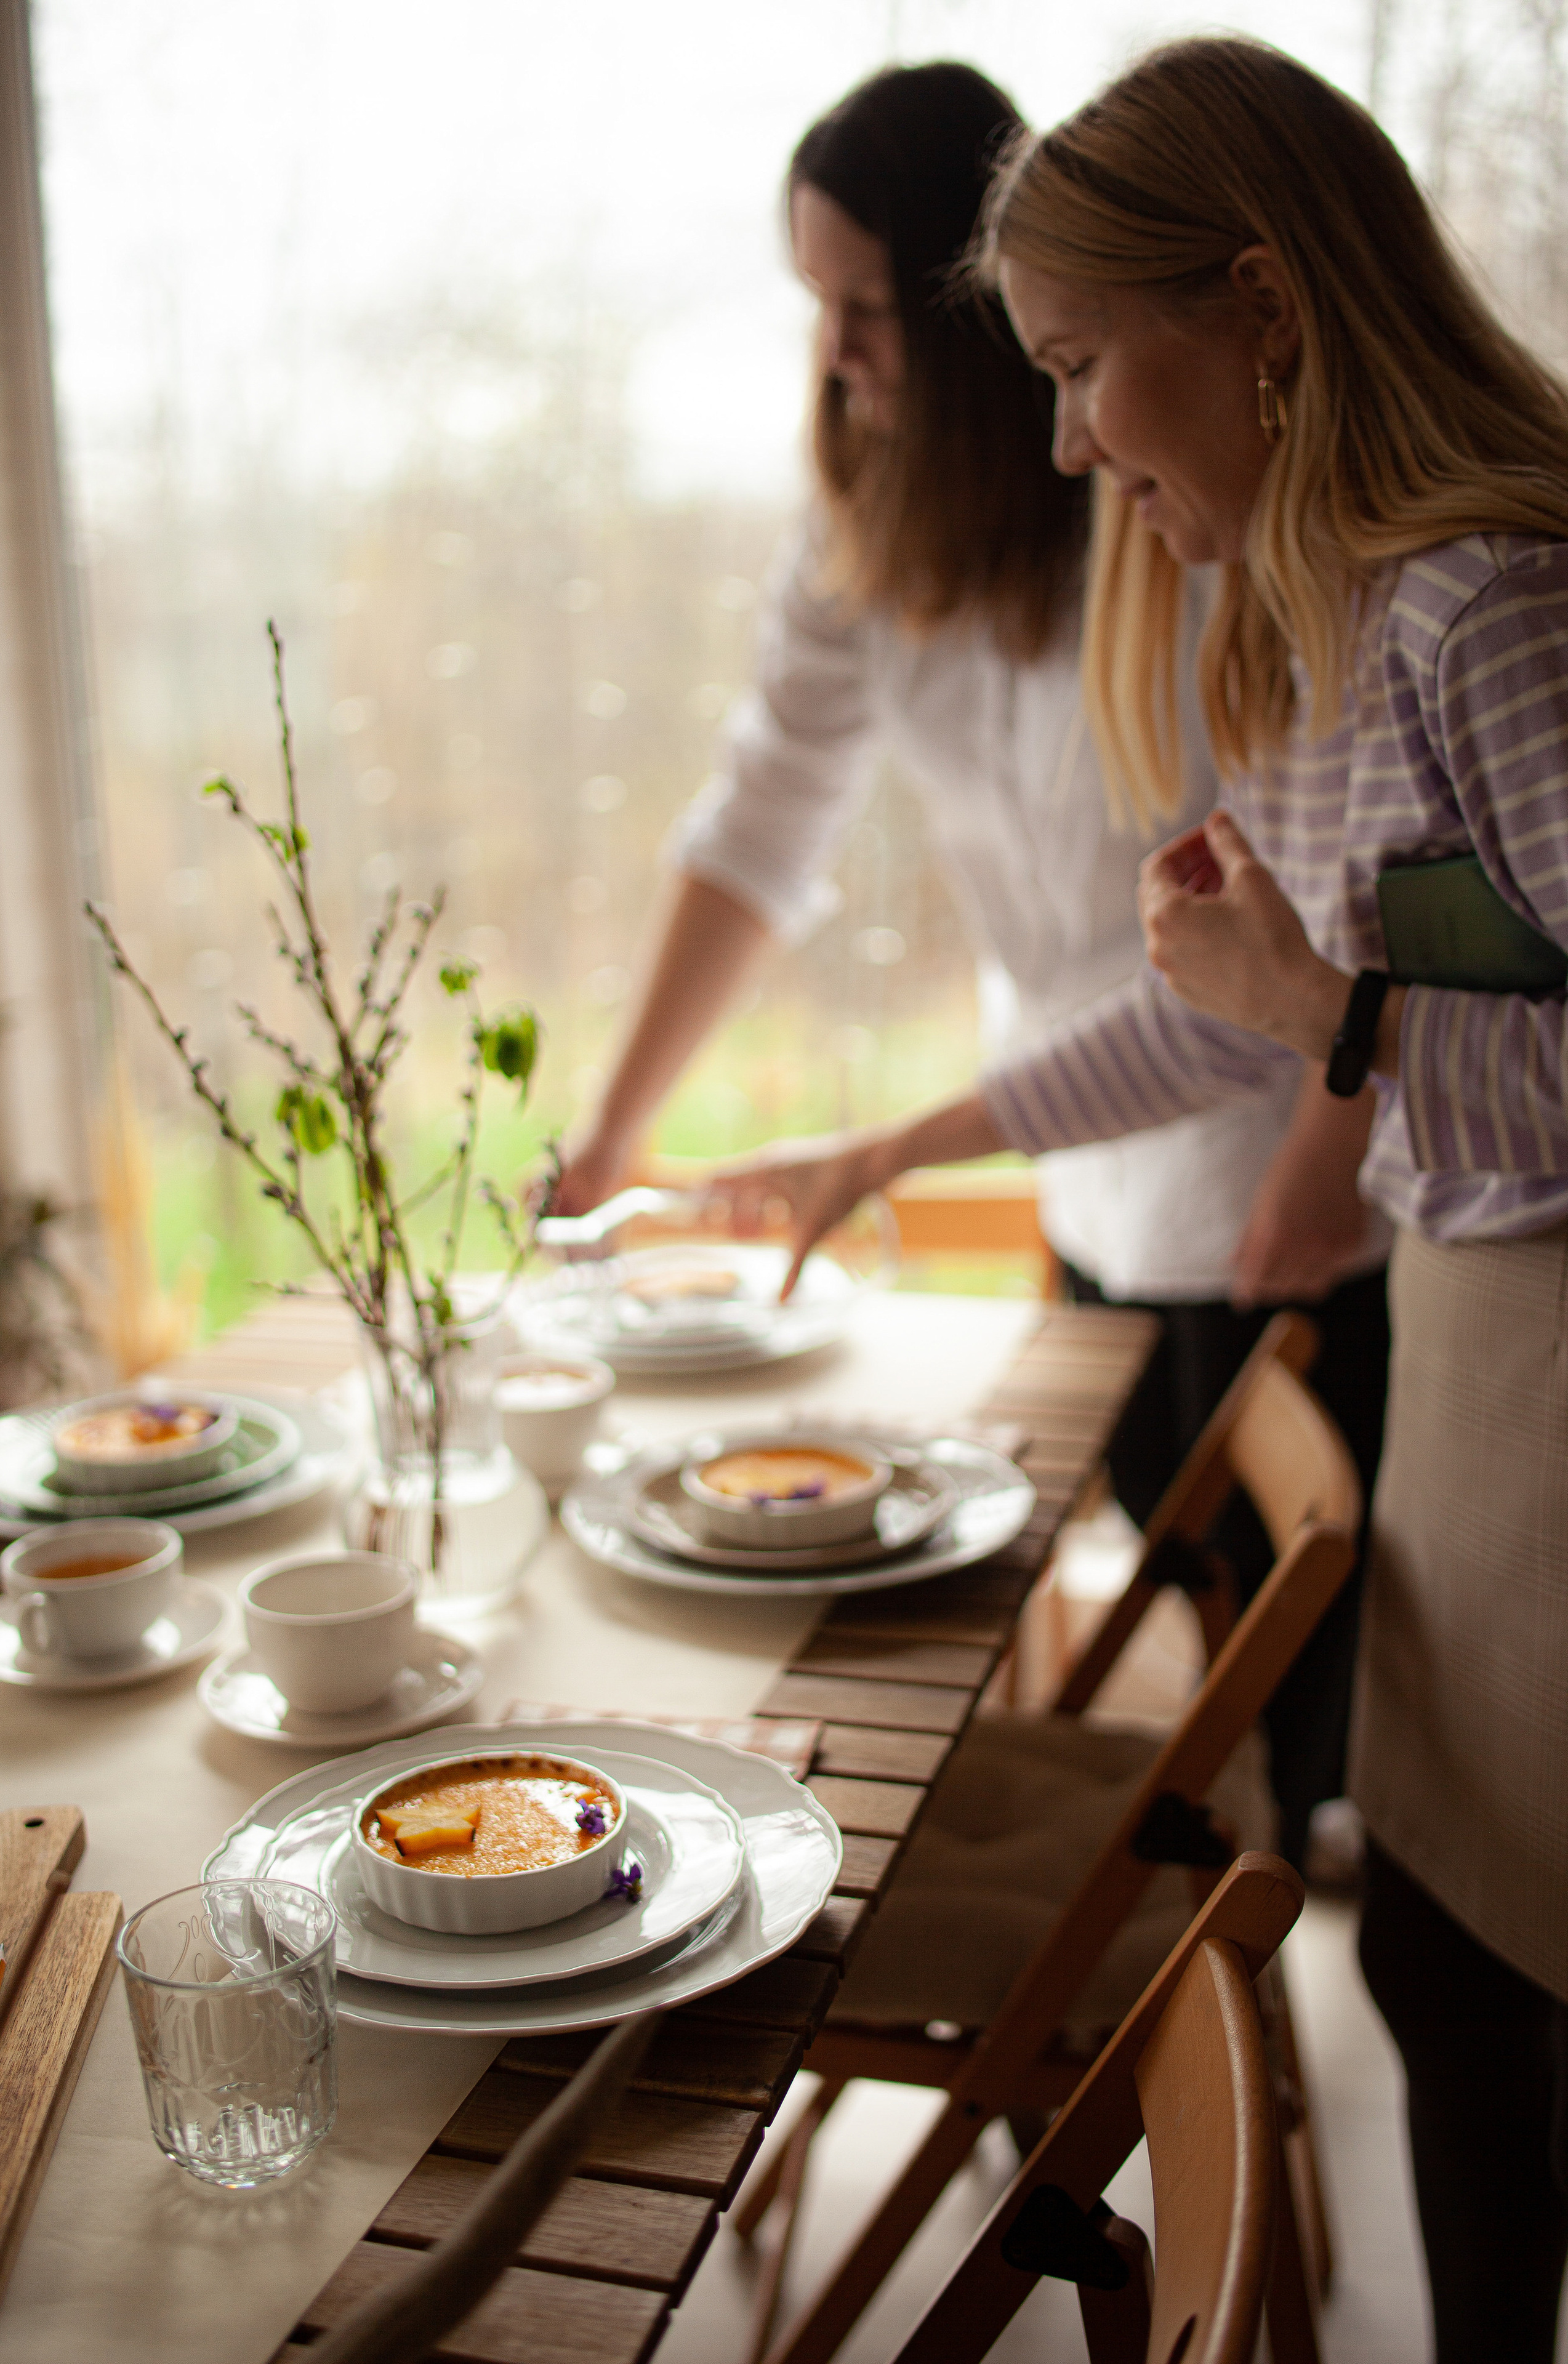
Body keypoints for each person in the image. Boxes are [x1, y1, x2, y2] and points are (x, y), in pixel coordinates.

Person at [718, 38, 1568, 2358]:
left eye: (1089, 367)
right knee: (1443, 1976)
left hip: (1543, 1396)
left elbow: (1324, 1018)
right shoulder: (1338, 630)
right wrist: (892, 1148)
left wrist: (1336, 1017)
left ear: (1269, 306)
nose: (1072, 438)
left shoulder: (1492, 611)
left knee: (1489, 2021)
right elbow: (1216, 1009)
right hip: (1489, 1393)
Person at [555, 60, 1388, 1868]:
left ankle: (1234, 1966)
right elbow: (758, 823)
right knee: (1143, 1603)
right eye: (817, 311)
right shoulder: (870, 536)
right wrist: (615, 1135)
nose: (836, 358)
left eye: (864, 310)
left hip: (1272, 1165)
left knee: (1308, 1714)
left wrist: (1325, 1143)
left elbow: (1310, 950)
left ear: (985, 313)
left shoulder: (1190, 522)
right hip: (1074, 1156)